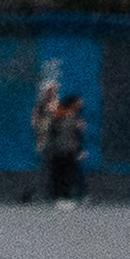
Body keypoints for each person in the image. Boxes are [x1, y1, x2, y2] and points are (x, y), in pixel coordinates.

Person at [47, 88, 89, 204]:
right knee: (59, 173)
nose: (79, 107)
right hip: (59, 149)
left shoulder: (76, 119)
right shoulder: (58, 117)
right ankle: (58, 196)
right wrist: (51, 148)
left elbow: (78, 136)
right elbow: (53, 134)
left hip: (70, 150)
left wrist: (80, 149)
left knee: (69, 173)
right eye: (77, 104)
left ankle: (67, 195)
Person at [31, 67, 62, 199]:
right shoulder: (40, 106)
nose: (53, 93)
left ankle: (54, 193)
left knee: (56, 168)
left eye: (54, 90)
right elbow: (35, 123)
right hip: (44, 141)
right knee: (43, 168)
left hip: (57, 142)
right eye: (50, 90)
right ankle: (40, 193)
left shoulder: (57, 104)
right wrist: (46, 122)